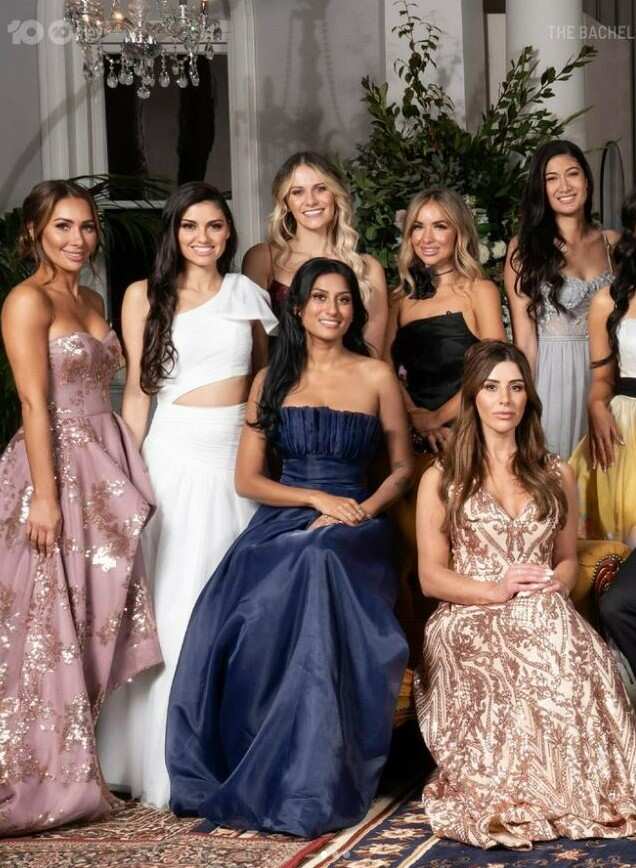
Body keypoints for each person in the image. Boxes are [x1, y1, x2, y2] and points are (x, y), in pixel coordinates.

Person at [166, 257, 412, 837]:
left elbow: (402, 470)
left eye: (344, 299)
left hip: (360, 525)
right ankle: (264, 753)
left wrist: (361, 509)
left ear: (355, 310)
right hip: (285, 518)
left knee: (320, 555)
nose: (332, 309)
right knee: (263, 582)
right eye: (320, 298)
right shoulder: (269, 379)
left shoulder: (376, 376)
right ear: (297, 309)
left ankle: (315, 773)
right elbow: (247, 480)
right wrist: (313, 499)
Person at [96, 183, 277, 809]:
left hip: (232, 456)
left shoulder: (246, 292)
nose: (203, 238)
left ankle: (229, 750)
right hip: (172, 451)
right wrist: (126, 473)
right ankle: (159, 758)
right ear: (173, 232)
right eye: (190, 226)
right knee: (173, 603)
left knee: (236, 605)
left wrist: (258, 446)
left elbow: (263, 376)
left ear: (229, 233)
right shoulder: (144, 296)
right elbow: (137, 391)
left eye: (215, 226)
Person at [414, 339, 636, 850]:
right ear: (473, 397)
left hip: (541, 605)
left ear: (528, 398)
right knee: (516, 654)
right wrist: (495, 590)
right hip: (467, 611)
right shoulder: (443, 477)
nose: (504, 399)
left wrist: (559, 581)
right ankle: (515, 792)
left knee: (576, 653)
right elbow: (431, 577)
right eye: (492, 388)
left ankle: (577, 791)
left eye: (515, 388)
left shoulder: (555, 473)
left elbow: (567, 559)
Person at [0, 180, 161, 836]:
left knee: (95, 611)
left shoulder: (91, 298)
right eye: (63, 227)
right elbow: (33, 403)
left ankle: (77, 761)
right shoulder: (27, 300)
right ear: (35, 232)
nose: (78, 239)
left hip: (101, 464)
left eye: (87, 226)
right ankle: (38, 773)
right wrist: (44, 496)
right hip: (54, 469)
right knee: (46, 621)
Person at [385, 188, 505, 636]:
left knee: (473, 548)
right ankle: (422, 652)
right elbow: (382, 367)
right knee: (412, 552)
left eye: (440, 226)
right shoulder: (399, 300)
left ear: (460, 234)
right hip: (414, 438)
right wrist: (415, 415)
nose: (427, 237)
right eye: (418, 226)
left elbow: (496, 366)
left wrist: (439, 418)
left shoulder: (479, 290)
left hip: (471, 431)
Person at [505, 139, 617, 458]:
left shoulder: (613, 244)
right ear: (540, 189)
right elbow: (525, 341)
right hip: (551, 379)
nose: (564, 186)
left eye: (572, 174)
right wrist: (522, 403)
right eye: (551, 178)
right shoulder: (523, 249)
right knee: (557, 473)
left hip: (610, 377)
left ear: (587, 181)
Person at [569, 189, 636, 677]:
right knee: (615, 565)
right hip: (624, 426)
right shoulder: (609, 299)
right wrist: (596, 405)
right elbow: (601, 381)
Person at [242, 151, 389, 356]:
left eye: (321, 189)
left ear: (335, 195)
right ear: (285, 202)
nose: (310, 201)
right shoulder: (262, 258)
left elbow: (372, 357)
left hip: (347, 376)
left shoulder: (368, 268)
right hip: (279, 376)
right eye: (297, 192)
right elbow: (256, 352)